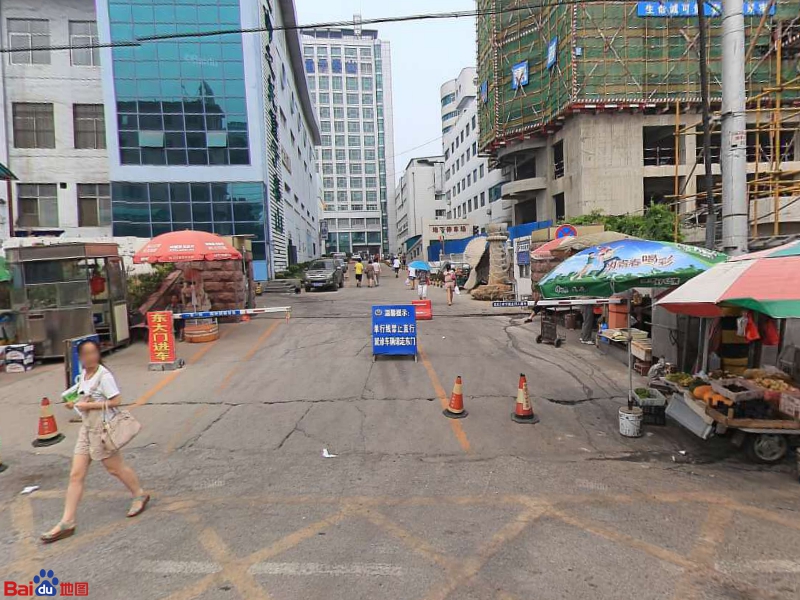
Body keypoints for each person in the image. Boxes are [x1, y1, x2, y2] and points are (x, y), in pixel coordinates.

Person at [41, 340, 149, 544]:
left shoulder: (104, 376)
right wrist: (74, 404)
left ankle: (139, 494)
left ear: (98, 355)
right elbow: (83, 398)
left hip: (102, 429)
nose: (90, 357)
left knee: (114, 468)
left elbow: (116, 401)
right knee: (76, 474)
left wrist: (89, 406)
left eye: (93, 353)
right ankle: (67, 521)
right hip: (86, 429)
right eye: (86, 354)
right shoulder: (83, 375)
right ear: (80, 357)